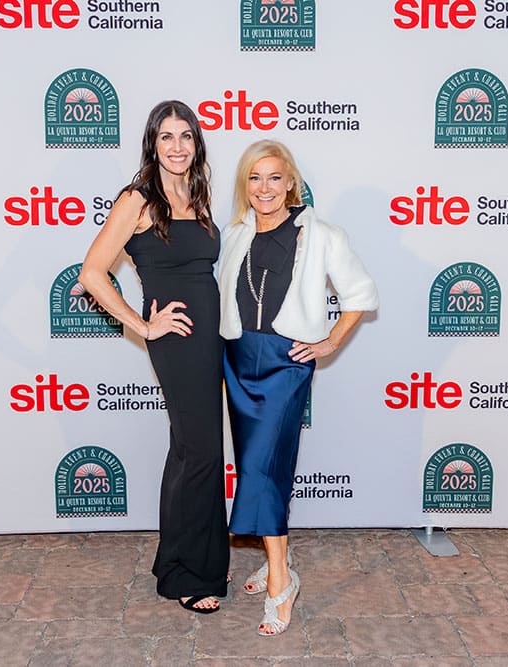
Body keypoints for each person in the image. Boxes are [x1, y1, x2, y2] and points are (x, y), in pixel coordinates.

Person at [217, 140, 378, 635]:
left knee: (262, 469)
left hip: (285, 365)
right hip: (237, 360)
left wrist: (330, 341)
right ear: (245, 185)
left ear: (291, 182)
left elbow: (360, 293)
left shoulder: (322, 235)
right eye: (254, 178)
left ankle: (281, 582)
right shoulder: (234, 234)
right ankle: (276, 560)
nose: (264, 188)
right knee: (261, 467)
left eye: (274, 177)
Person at [78, 101, 229, 614]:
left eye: (186, 136)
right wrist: (143, 326)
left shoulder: (196, 193)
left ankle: (186, 562)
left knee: (190, 450)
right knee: (201, 452)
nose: (177, 146)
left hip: (210, 337)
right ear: (153, 144)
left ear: (196, 143)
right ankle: (188, 573)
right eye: (167, 137)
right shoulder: (137, 199)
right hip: (177, 340)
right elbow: (92, 273)